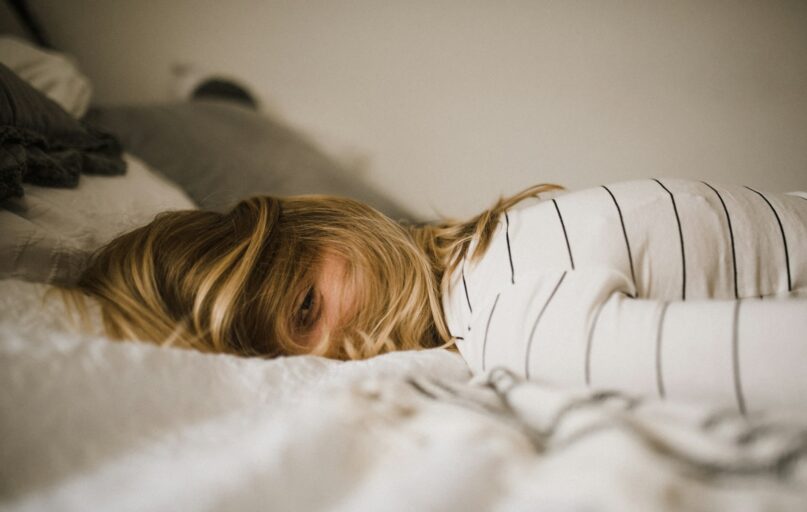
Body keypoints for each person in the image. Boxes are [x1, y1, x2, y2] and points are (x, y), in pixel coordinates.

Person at [66, 179, 807, 411]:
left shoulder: (512, 319)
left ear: (331, 223)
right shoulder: (496, 245)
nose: (327, 358)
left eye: (303, 309)